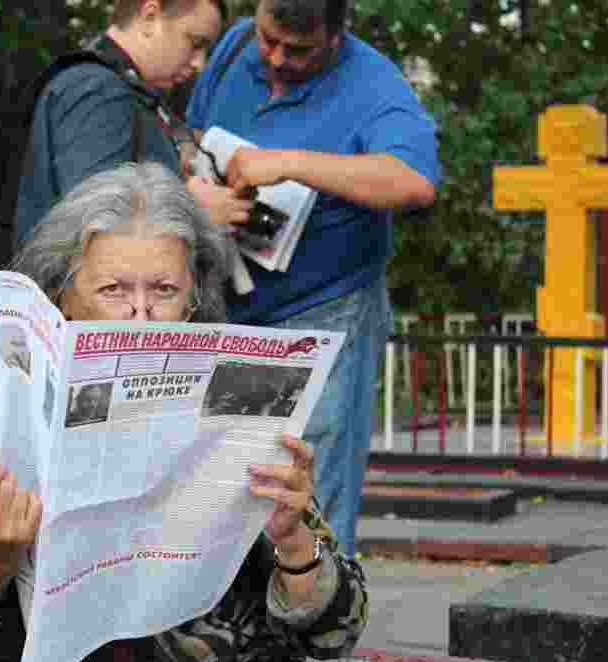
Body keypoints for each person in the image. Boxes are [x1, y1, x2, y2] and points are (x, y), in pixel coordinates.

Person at [0, 162, 368, 662]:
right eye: (113, 290)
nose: (141, 315)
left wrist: (294, 545)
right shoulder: (8, 408)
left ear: (194, 299)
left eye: (164, 290)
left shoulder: (249, 395)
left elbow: (336, 633)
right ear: (61, 297)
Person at [185, 0, 441, 554]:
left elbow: (415, 181)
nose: (276, 58)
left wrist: (292, 162)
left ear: (336, 35)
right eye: (268, 39)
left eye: (297, 50)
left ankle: (317, 632)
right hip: (236, 314)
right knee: (236, 488)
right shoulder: (233, 47)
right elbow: (194, 134)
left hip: (323, 313)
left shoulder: (373, 84)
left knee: (307, 494)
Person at [13, 0, 253, 247]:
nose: (199, 63)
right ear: (149, 16)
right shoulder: (101, 91)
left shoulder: (118, 89)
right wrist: (196, 211)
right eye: (195, 43)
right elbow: (96, 225)